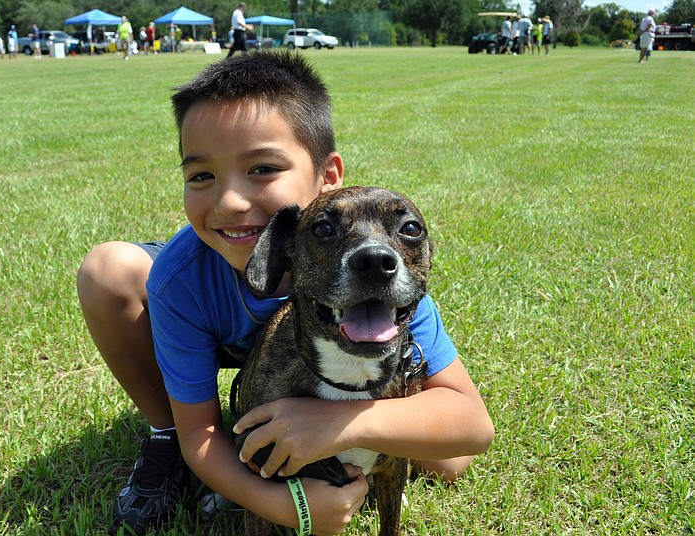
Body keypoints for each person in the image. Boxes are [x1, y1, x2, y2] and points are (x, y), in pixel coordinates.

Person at [77, 50, 494, 536]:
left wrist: (343, 425)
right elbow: (204, 436)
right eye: (201, 176)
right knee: (108, 271)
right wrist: (285, 505)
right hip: (221, 327)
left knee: (448, 462)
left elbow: (473, 427)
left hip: (327, 349)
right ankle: (160, 433)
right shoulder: (181, 281)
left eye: (262, 169)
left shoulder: (375, 270)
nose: (231, 201)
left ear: (328, 177)